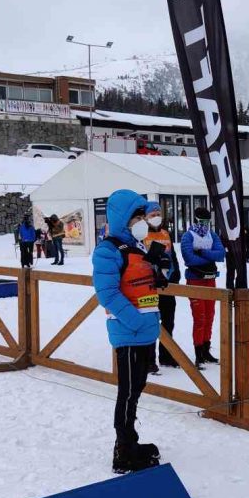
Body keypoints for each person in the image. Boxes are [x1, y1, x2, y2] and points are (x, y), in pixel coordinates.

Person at [92, 189, 164, 474]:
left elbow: (147, 284)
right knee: (128, 393)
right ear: (123, 218)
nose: (142, 221)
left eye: (142, 216)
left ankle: (131, 441)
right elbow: (107, 294)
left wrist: (162, 270)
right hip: (130, 333)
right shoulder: (107, 251)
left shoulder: (141, 246)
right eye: (136, 216)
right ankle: (123, 450)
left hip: (146, 332)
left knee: (137, 389)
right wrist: (134, 322)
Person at [180, 207, 226, 367]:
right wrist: (208, 255)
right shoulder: (188, 236)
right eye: (202, 222)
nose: (205, 225)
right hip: (195, 280)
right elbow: (189, 259)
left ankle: (206, 349)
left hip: (210, 279)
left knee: (210, 315)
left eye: (208, 222)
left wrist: (202, 253)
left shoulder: (211, 235)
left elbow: (221, 254)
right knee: (199, 317)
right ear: (196, 220)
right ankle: (198, 352)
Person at [143, 201, 182, 369]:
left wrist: (176, 274)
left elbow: (172, 256)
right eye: (152, 215)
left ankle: (166, 356)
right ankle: (149, 359)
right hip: (150, 285)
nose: (156, 217)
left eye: (158, 214)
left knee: (168, 321)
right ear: (145, 218)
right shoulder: (141, 234)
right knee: (151, 322)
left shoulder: (166, 233)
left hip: (168, 283)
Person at [222, 223, 249, 290]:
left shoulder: (243, 227)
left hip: (241, 254)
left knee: (241, 273)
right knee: (230, 274)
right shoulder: (227, 226)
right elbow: (222, 239)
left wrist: (248, 254)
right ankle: (230, 292)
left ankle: (239, 291)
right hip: (230, 254)